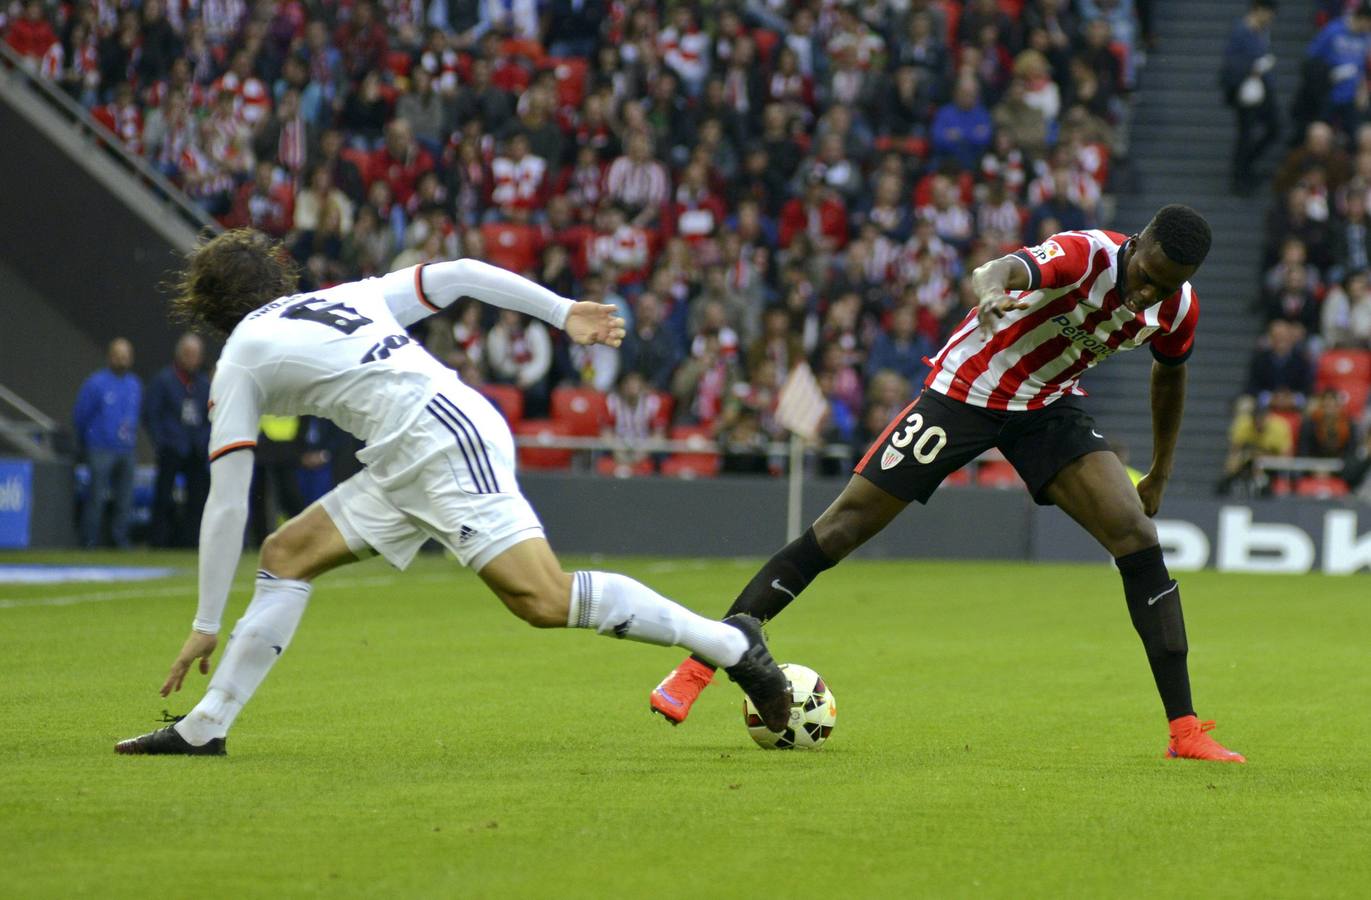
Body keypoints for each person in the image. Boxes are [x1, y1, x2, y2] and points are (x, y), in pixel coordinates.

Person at [115, 229, 792, 756]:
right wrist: (561, 311)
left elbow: (226, 499)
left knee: (543, 599)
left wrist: (206, 622)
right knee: (287, 553)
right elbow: (461, 273)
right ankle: (206, 726)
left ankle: (728, 645)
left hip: (439, 444)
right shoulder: (342, 297)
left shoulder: (240, 356)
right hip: (411, 450)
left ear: (208, 308)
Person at [649, 205, 1249, 763]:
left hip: (1045, 407)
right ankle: (699, 667)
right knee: (842, 528)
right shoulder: (1083, 254)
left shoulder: (1176, 308)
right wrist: (990, 294)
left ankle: (1185, 730)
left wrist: (1161, 470)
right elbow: (998, 269)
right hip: (965, 392)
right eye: (1146, 276)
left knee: (1138, 539)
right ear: (1135, 245)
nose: (1148, 293)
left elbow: (1170, 377)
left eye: (1165, 286)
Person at [73, 338, 141, 548]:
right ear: (110, 356)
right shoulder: (96, 383)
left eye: (125, 356)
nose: (122, 360)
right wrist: (88, 441)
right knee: (96, 496)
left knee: (125, 498)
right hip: (100, 448)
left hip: (126, 449)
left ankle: (120, 540)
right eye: (118, 355)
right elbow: (81, 415)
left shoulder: (134, 384)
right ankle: (89, 540)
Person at [144, 333, 211, 548]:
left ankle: (191, 542)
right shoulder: (163, 380)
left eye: (196, 355)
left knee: (197, 498)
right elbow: (151, 414)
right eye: (188, 354)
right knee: (164, 496)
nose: (192, 359)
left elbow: (210, 416)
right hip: (172, 448)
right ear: (179, 355)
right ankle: (159, 541)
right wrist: (162, 441)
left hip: (196, 449)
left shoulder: (204, 384)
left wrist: (204, 440)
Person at [1220, 0, 1279, 194]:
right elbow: (1231, 63)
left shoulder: (1262, 31)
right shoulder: (1241, 32)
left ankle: (1247, 165)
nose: (1271, 18)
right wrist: (1252, 67)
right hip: (1245, 91)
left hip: (1262, 88)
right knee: (1246, 134)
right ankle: (1240, 175)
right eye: (1269, 13)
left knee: (1273, 129)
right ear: (1259, 10)